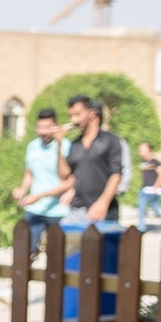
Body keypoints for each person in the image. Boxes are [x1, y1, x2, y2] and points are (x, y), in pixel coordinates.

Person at [58, 94, 125, 225]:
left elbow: (116, 174)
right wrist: (58, 144)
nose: (74, 120)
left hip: (104, 211)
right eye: (71, 116)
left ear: (91, 114)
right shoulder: (75, 145)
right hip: (77, 211)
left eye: (78, 114)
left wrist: (103, 202)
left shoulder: (109, 141)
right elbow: (66, 176)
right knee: (63, 235)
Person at [13, 107, 72, 250]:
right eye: (40, 127)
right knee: (24, 251)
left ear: (55, 127)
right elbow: (29, 173)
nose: (43, 132)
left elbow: (67, 181)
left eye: (47, 127)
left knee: (57, 255)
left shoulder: (66, 146)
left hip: (59, 210)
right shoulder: (32, 146)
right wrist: (22, 190)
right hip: (35, 209)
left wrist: (38, 196)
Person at [135, 142, 161, 230]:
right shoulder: (146, 163)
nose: (141, 153)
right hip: (144, 190)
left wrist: (156, 187)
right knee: (141, 208)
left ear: (149, 150)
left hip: (152, 190)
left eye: (142, 151)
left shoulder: (155, 162)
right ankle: (141, 227)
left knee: (156, 209)